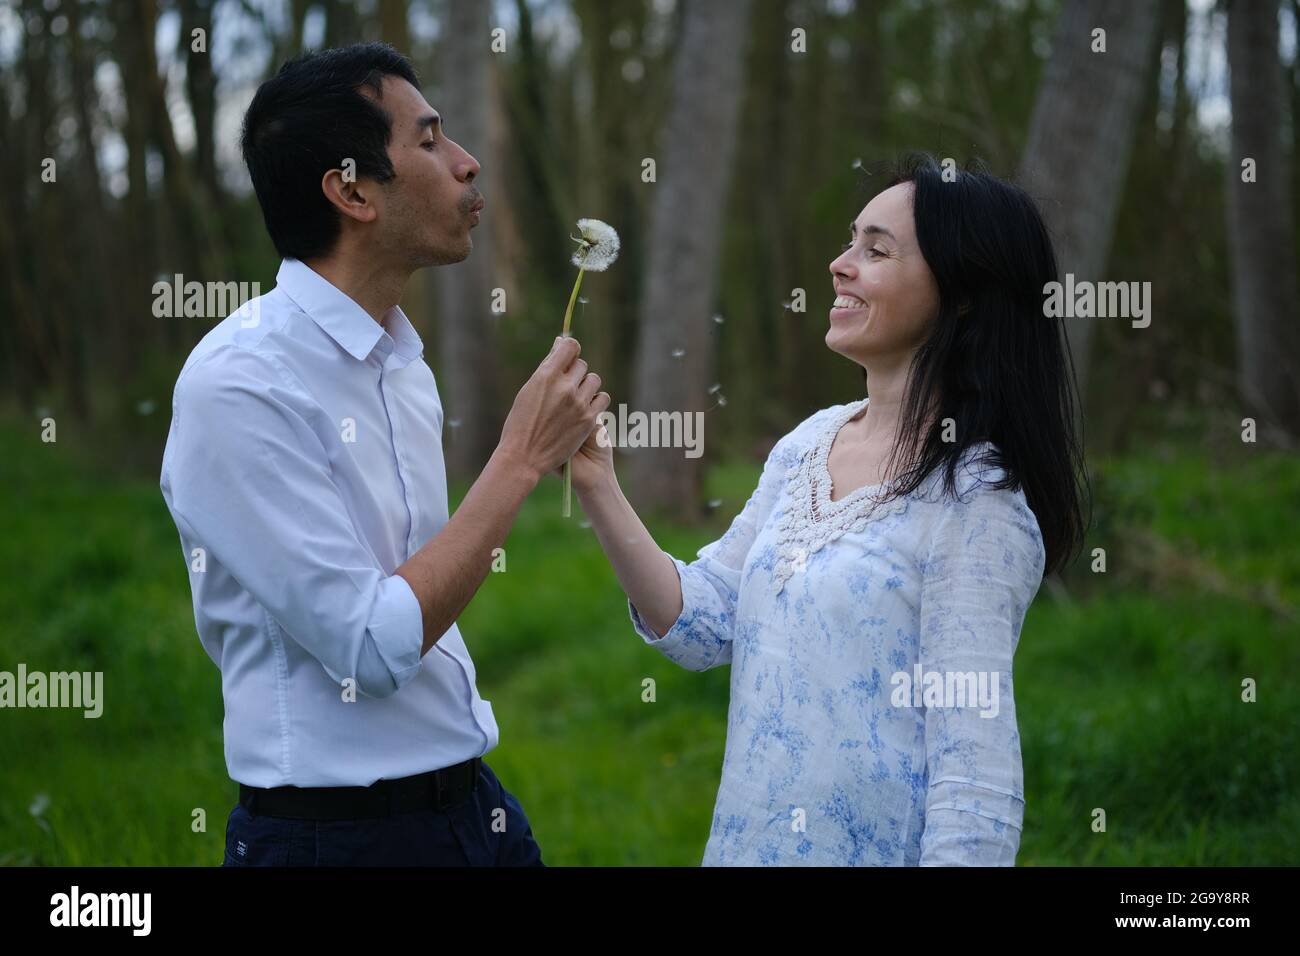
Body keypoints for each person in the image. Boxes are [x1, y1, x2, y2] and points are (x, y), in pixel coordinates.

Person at [159, 43, 609, 866]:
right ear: (352, 189)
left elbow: (418, 596)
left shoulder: (403, 365)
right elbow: (369, 647)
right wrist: (518, 460)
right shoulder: (239, 385)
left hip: (474, 808)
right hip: (334, 839)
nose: (468, 164)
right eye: (430, 140)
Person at [569, 154, 1088, 866]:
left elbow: (976, 781)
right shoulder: (808, 444)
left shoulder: (977, 503)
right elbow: (701, 622)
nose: (840, 265)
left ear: (963, 294)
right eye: (850, 242)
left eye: (876, 250)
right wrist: (598, 482)